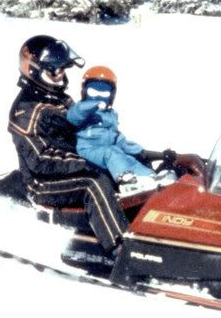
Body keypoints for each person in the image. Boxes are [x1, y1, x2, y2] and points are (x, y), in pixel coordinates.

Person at [7, 35, 130, 256]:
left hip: (68, 171)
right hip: (42, 183)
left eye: (63, 69)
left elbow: (88, 134)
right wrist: (85, 163)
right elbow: (41, 159)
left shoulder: (59, 100)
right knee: (93, 183)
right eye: (54, 70)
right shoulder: (26, 110)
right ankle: (122, 250)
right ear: (34, 70)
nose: (61, 75)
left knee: (122, 175)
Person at [66, 66, 171, 193]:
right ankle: (126, 181)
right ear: (84, 91)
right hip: (88, 150)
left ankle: (149, 177)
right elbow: (73, 117)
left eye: (104, 93)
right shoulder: (81, 109)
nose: (99, 96)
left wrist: (138, 150)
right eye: (93, 91)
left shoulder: (111, 115)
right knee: (111, 153)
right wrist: (90, 105)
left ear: (111, 96)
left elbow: (117, 138)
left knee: (127, 158)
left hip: (109, 150)